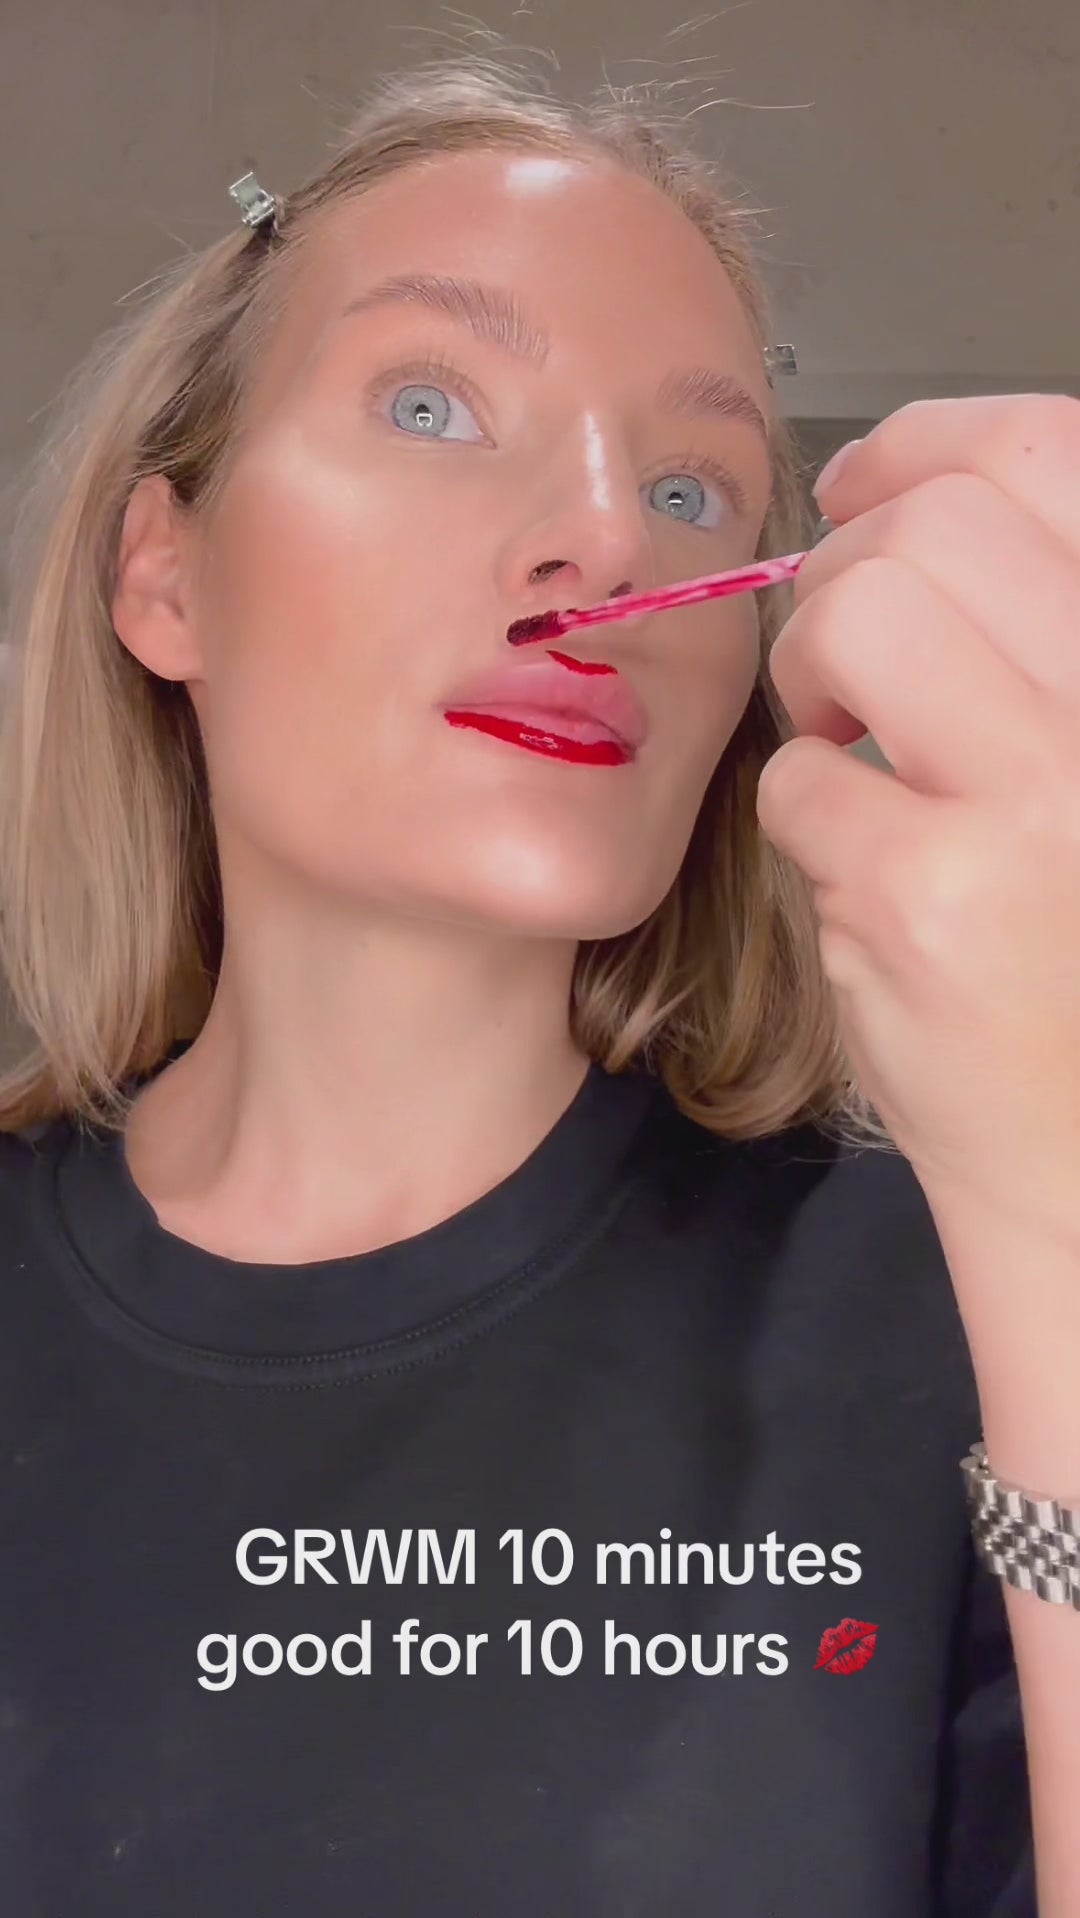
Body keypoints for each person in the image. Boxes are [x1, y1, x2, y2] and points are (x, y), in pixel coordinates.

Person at [5, 51, 1079, 1916]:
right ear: (162, 576)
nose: (607, 537)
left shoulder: (971, 1297)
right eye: (432, 402)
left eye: (692, 482)